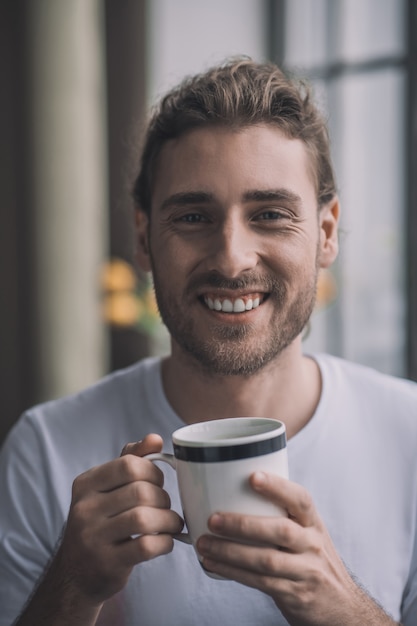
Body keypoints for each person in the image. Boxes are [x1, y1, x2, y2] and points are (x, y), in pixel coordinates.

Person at [1, 58, 416, 626]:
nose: (231, 257)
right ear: (145, 239)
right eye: (194, 216)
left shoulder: (411, 434)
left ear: (325, 234)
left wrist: (341, 607)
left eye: (270, 214)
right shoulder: (44, 450)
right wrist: (73, 586)